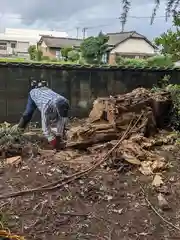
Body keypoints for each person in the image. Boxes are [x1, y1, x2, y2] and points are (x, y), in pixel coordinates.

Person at [17, 80, 69, 149]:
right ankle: (18, 133)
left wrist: (59, 136)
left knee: (60, 119)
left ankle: (61, 135)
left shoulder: (65, 101)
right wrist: (53, 141)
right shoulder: (46, 106)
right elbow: (45, 127)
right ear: (56, 107)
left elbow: (62, 119)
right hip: (34, 95)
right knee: (28, 114)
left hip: (46, 94)